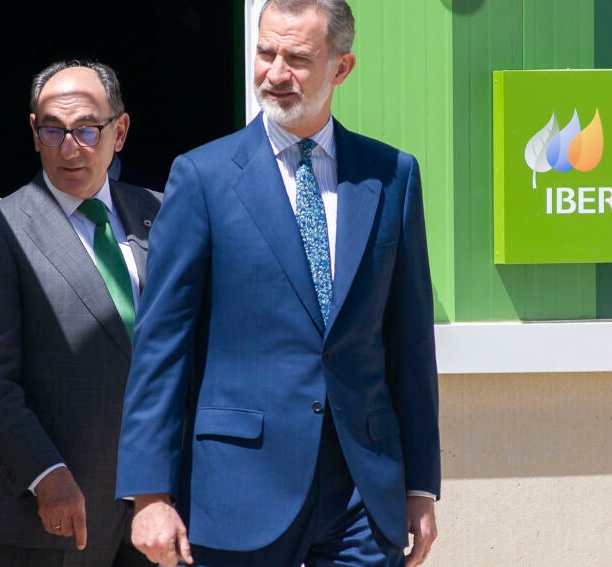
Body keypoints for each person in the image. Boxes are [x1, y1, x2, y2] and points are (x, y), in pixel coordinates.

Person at [115, 1, 440, 566]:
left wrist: (420, 486)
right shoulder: (204, 177)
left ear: (342, 68)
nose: (275, 73)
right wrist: (149, 493)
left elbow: (409, 342)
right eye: (266, 53)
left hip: (362, 494)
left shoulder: (392, 175)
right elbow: (161, 346)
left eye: (298, 58)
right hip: (239, 490)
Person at [0, 60, 161, 567]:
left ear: (121, 131)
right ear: (33, 133)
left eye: (88, 129)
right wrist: (45, 473)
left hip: (156, 507)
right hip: (49, 515)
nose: (70, 147)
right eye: (54, 129)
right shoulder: (0, 230)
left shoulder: (162, 213)